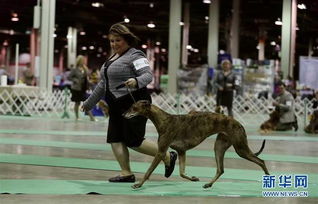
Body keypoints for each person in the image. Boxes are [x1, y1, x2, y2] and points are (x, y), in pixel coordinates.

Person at [82, 23, 177, 183]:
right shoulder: (111, 59)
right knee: (115, 138)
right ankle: (126, 173)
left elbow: (148, 75)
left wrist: (136, 80)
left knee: (134, 141)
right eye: (111, 41)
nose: (114, 44)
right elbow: (103, 84)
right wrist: (89, 102)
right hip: (116, 104)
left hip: (135, 103)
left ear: (126, 39)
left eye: (117, 40)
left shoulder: (136, 55)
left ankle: (168, 156)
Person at [68, 55, 95, 121]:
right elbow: (69, 77)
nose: (83, 61)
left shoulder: (85, 68)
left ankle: (91, 117)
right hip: (76, 88)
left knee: (86, 102)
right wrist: (75, 80)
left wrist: (90, 83)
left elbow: (86, 78)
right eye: (82, 60)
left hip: (83, 88)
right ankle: (77, 117)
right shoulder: (74, 69)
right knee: (77, 103)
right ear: (79, 61)